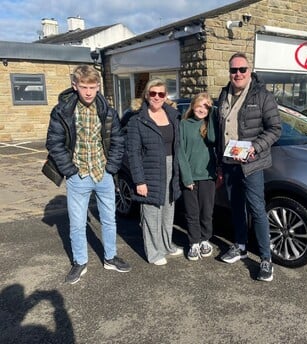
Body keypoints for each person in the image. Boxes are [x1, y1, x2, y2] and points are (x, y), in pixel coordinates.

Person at [45, 65, 131, 285]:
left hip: (103, 174)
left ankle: (110, 257)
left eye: (92, 87)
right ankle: (80, 261)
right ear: (75, 85)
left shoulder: (108, 111)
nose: (89, 92)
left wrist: (111, 168)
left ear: (98, 86)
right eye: (84, 86)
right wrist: (70, 171)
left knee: (109, 219)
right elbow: (54, 143)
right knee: (76, 222)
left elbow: (118, 141)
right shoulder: (62, 111)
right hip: (78, 176)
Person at [216, 52, 281, 282]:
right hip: (230, 162)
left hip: (252, 163)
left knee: (257, 209)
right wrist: (219, 164)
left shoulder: (262, 95)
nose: (238, 74)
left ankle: (265, 259)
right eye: (234, 70)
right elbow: (220, 130)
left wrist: (254, 147)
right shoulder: (224, 94)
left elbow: (275, 129)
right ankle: (240, 245)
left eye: (242, 69)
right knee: (236, 208)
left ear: (249, 69)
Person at [126, 78, 183, 265]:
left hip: (171, 168)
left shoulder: (173, 115)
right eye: (153, 93)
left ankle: (166, 245)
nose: (157, 97)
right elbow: (133, 153)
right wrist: (139, 181)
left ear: (166, 96)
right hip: (150, 170)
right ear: (146, 94)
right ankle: (154, 252)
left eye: (161, 94)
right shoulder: (137, 120)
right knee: (151, 212)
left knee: (168, 209)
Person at [178, 93, 217, 260]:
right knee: (192, 212)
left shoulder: (209, 125)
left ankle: (205, 239)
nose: (202, 109)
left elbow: (213, 139)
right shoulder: (184, 125)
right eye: (200, 105)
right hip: (191, 177)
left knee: (206, 212)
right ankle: (194, 242)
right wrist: (187, 177)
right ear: (193, 106)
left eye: (206, 107)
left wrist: (213, 115)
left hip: (207, 176)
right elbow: (181, 152)